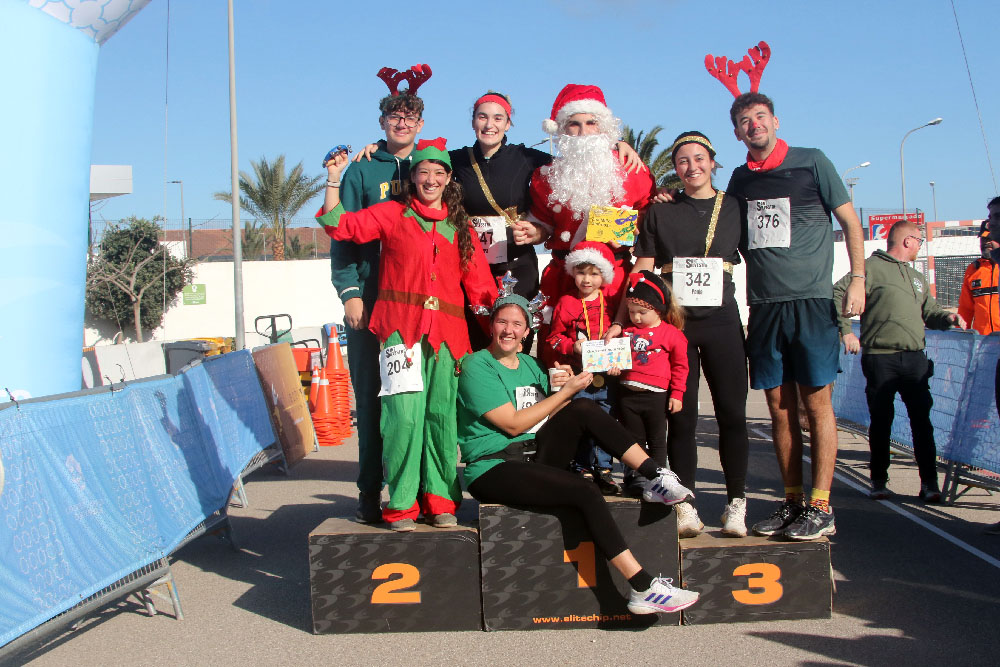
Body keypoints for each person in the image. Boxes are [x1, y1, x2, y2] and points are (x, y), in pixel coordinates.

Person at [457, 291, 699, 615]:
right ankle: (642, 587)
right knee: (584, 490)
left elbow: (549, 417)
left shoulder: (530, 364)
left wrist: (561, 388)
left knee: (584, 408)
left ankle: (655, 477)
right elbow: (513, 425)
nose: (509, 330)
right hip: (494, 466)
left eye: (517, 323)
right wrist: (564, 393)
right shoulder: (477, 364)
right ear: (492, 325)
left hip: (534, 455)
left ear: (527, 331)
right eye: (502, 321)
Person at [318, 137, 496, 531]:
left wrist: (501, 327)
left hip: (449, 337)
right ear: (412, 177)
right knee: (403, 418)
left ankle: (440, 501)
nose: (430, 179)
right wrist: (333, 181)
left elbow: (481, 286)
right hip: (401, 332)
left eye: (438, 172)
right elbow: (340, 226)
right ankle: (401, 505)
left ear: (448, 178)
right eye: (423, 172)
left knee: (441, 417)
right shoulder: (391, 213)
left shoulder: (458, 225)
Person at [725, 92, 867, 541]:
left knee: (816, 405)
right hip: (764, 308)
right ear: (737, 132)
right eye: (745, 121)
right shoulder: (739, 180)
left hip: (811, 302)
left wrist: (858, 277)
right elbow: (719, 225)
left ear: (775, 121)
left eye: (760, 117)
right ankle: (791, 503)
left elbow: (850, 222)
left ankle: (822, 507)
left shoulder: (812, 161)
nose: (754, 126)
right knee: (778, 410)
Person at [610, 131, 750, 538]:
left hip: (723, 321)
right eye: (683, 160)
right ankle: (686, 505)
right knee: (682, 418)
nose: (692, 166)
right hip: (677, 327)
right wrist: (621, 318)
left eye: (699, 158)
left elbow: (757, 260)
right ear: (675, 168)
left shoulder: (734, 208)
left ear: (712, 161)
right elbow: (642, 271)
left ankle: (736, 503)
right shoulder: (660, 211)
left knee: (732, 414)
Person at [326, 66, 427, 523]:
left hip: (421, 307)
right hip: (371, 304)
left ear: (421, 124)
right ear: (382, 122)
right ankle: (371, 491)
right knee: (372, 400)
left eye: (409, 117)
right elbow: (341, 234)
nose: (401, 123)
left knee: (421, 400)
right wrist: (349, 292)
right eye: (394, 116)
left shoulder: (434, 164)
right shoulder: (362, 170)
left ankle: (422, 493)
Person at [834, 221, 964, 502]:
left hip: (914, 359)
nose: (919, 246)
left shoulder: (916, 277)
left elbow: (930, 312)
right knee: (881, 421)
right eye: (918, 240)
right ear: (907, 241)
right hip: (881, 358)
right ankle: (879, 481)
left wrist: (948, 319)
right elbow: (837, 294)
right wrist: (846, 331)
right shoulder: (870, 268)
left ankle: (930, 483)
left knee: (922, 422)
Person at [527, 84, 655, 363]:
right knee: (559, 360)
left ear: (604, 127)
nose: (583, 131)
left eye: (590, 122)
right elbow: (542, 225)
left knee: (617, 361)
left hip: (615, 281)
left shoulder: (633, 169)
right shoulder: (544, 176)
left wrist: (632, 233)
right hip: (562, 279)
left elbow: (650, 219)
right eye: (573, 124)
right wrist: (532, 231)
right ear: (561, 129)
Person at [547, 241, 620, 493]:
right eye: (581, 272)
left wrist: (616, 363)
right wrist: (572, 347)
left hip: (606, 377)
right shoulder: (566, 302)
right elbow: (553, 338)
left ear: (604, 276)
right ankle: (581, 466)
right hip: (578, 375)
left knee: (605, 421)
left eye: (594, 273)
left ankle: (604, 469)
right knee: (579, 419)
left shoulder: (611, 303)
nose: (586, 279)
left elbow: (622, 338)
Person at [615, 271, 691, 507]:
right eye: (631, 311)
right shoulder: (626, 333)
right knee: (632, 440)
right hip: (628, 394)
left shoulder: (672, 334)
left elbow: (681, 366)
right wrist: (613, 366)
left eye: (642, 312)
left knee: (657, 440)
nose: (636, 317)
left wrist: (677, 394)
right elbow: (613, 358)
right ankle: (635, 478)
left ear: (658, 309)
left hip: (655, 396)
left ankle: (659, 481)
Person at [958, 220, 999, 335]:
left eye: (990, 238)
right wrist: (960, 335)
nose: (986, 243)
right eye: (984, 239)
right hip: (983, 341)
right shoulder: (973, 270)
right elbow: (965, 309)